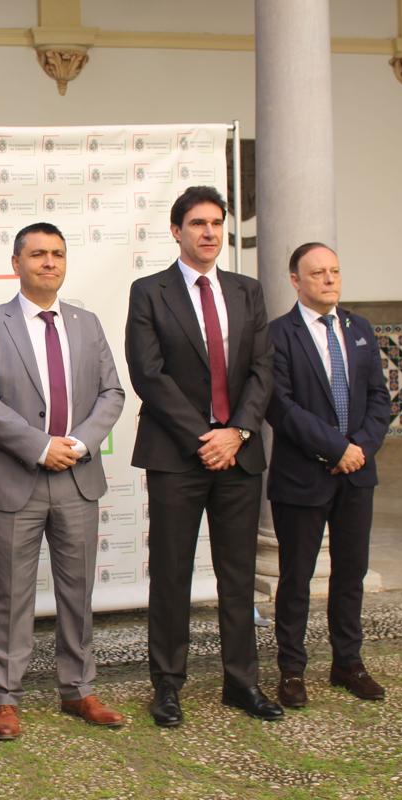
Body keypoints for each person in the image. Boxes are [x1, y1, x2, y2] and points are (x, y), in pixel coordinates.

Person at [125, 185, 282, 726]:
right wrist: (205, 436)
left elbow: (263, 370)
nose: (209, 232)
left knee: (237, 576)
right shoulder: (150, 291)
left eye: (217, 223)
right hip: (177, 455)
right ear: (176, 231)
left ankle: (242, 683)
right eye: (197, 223)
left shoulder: (247, 291)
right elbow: (150, 374)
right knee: (171, 574)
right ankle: (167, 686)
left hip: (239, 455)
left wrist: (236, 432)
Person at [0, 222, 127, 740]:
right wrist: (40, 446)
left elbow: (112, 394)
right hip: (15, 479)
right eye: (37, 254)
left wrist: (76, 444)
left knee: (77, 591)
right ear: (17, 263)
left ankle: (78, 689)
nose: (49, 262)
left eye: (57, 254)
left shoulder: (87, 322)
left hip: (78, 476)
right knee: (10, 594)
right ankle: (5, 698)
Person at [266, 242, 391, 708]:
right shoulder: (278, 335)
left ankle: (348, 663)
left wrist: (359, 449)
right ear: (295, 280)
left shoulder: (359, 329)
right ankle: (292, 670)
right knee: (296, 576)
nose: (329, 280)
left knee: (350, 573)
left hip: (357, 475)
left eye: (335, 271)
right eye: (317, 273)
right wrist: (336, 448)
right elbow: (280, 407)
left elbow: (380, 397)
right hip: (303, 476)